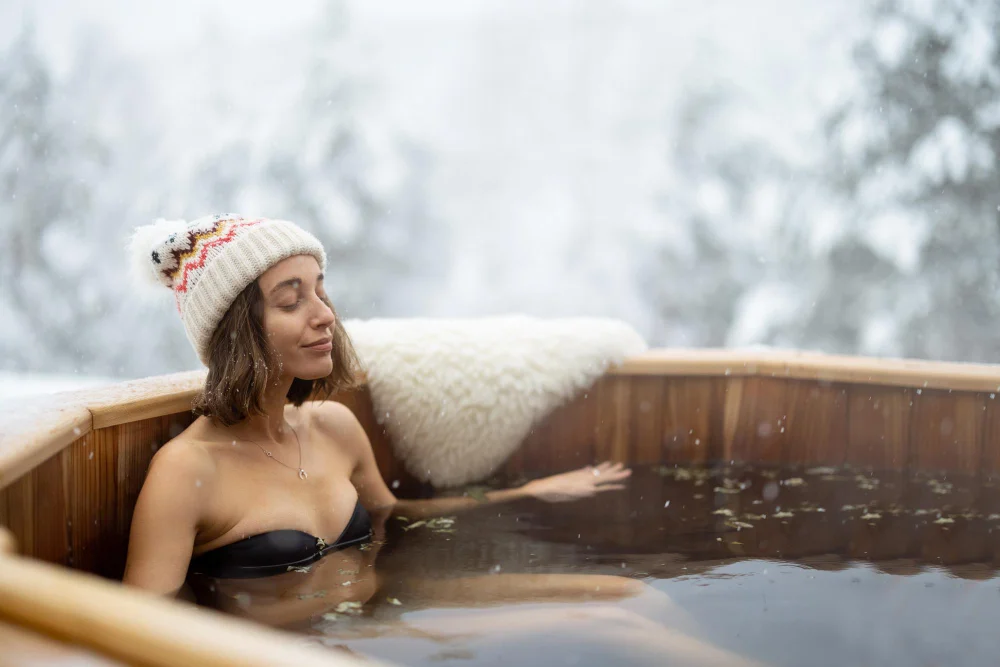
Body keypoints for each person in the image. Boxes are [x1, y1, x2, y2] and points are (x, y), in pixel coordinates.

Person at [122, 214, 632, 596]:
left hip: (379, 625)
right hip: (285, 653)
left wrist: (526, 494)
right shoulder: (187, 470)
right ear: (237, 332)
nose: (325, 315)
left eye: (321, 292)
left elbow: (399, 519)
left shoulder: (332, 427)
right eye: (291, 300)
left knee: (619, 595)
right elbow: (139, 627)